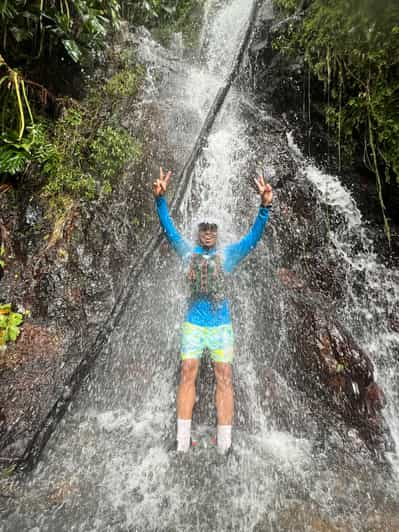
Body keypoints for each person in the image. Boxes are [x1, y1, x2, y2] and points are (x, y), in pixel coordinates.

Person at [153, 167, 273, 453]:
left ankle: (225, 443)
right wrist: (160, 200)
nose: (208, 232)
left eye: (213, 228)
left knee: (224, 376)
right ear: (198, 231)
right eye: (204, 228)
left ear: (218, 232)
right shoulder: (187, 253)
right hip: (194, 324)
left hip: (221, 326)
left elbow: (253, 238)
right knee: (187, 372)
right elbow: (169, 230)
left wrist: (265, 206)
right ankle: (182, 442)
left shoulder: (229, 255)